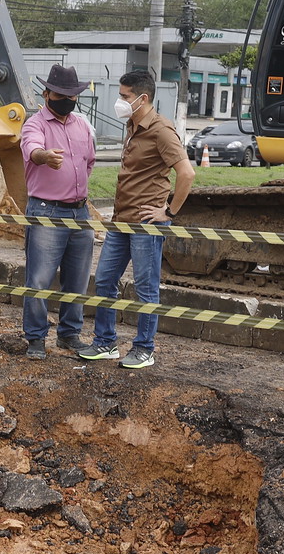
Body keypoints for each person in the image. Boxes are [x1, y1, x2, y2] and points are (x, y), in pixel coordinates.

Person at [79, 69, 194, 369]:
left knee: (145, 287)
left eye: (124, 96)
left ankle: (144, 348)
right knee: (104, 280)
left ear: (143, 98)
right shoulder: (132, 125)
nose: (119, 101)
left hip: (147, 223)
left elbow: (187, 173)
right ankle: (105, 342)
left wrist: (168, 212)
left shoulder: (161, 130)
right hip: (121, 220)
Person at [17, 62, 98, 360]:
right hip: (46, 211)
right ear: (47, 93)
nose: (67, 100)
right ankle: (36, 338)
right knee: (39, 279)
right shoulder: (34, 125)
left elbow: (89, 161)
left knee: (77, 278)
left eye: (72, 95)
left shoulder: (81, 125)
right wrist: (44, 157)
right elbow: (33, 150)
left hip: (80, 212)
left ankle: (69, 334)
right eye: (61, 94)